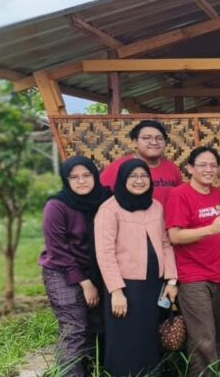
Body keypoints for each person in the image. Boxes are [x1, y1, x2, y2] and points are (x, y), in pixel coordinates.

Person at [94, 159, 178, 376]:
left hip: (153, 285)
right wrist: (116, 291)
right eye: (133, 176)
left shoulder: (156, 206)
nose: (139, 181)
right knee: (125, 341)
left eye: (144, 176)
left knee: (148, 338)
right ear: (122, 179)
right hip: (126, 288)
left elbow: (166, 243)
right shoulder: (109, 209)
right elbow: (105, 253)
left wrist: (171, 280)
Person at [39, 156, 109, 377]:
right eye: (74, 177)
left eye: (86, 175)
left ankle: (89, 371)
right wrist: (85, 282)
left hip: (95, 269)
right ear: (65, 179)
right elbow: (57, 250)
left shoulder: (105, 199)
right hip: (61, 271)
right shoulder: (57, 206)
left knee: (96, 327)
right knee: (75, 328)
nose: (81, 181)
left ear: (95, 176)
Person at [165, 147, 220, 377]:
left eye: (213, 165)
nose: (209, 169)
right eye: (202, 164)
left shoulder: (218, 193)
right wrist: (210, 229)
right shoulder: (180, 194)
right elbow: (175, 236)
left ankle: (211, 373)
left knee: (217, 336)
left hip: (218, 274)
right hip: (192, 277)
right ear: (190, 168)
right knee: (203, 339)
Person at [100, 120, 183, 206]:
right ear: (135, 142)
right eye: (147, 138)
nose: (154, 142)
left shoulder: (171, 167)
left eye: (159, 138)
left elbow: (179, 198)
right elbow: (102, 199)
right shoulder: (118, 167)